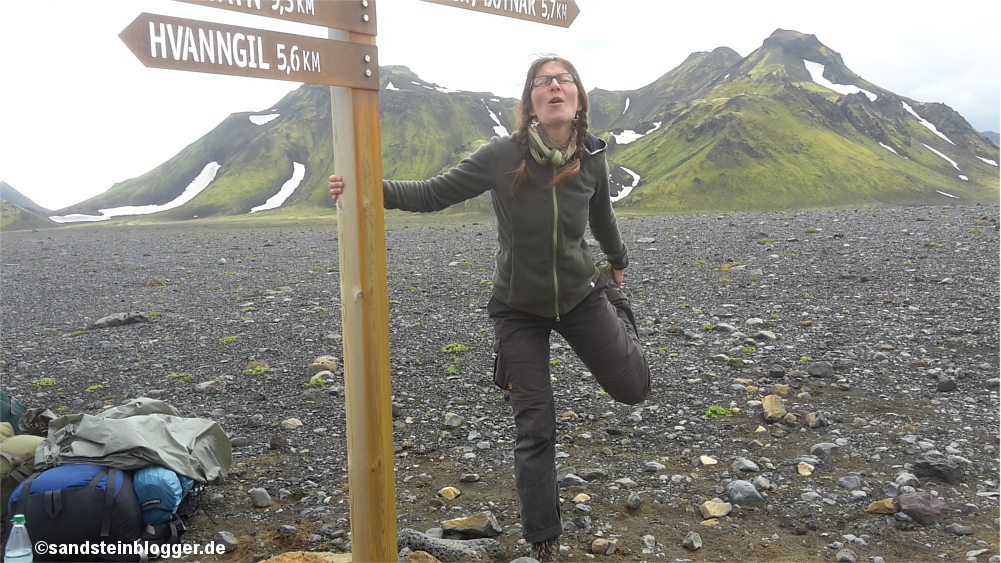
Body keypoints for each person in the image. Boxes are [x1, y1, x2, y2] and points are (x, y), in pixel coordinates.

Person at [329, 55, 650, 562]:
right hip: (517, 308)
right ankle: (544, 540)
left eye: (563, 80)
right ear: (531, 102)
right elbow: (434, 193)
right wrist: (366, 187)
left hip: (582, 296)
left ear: (578, 98)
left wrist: (618, 264)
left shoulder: (591, 158)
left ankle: (614, 311)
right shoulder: (502, 155)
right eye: (542, 82)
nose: (554, 87)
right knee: (535, 422)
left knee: (634, 389)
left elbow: (602, 216)